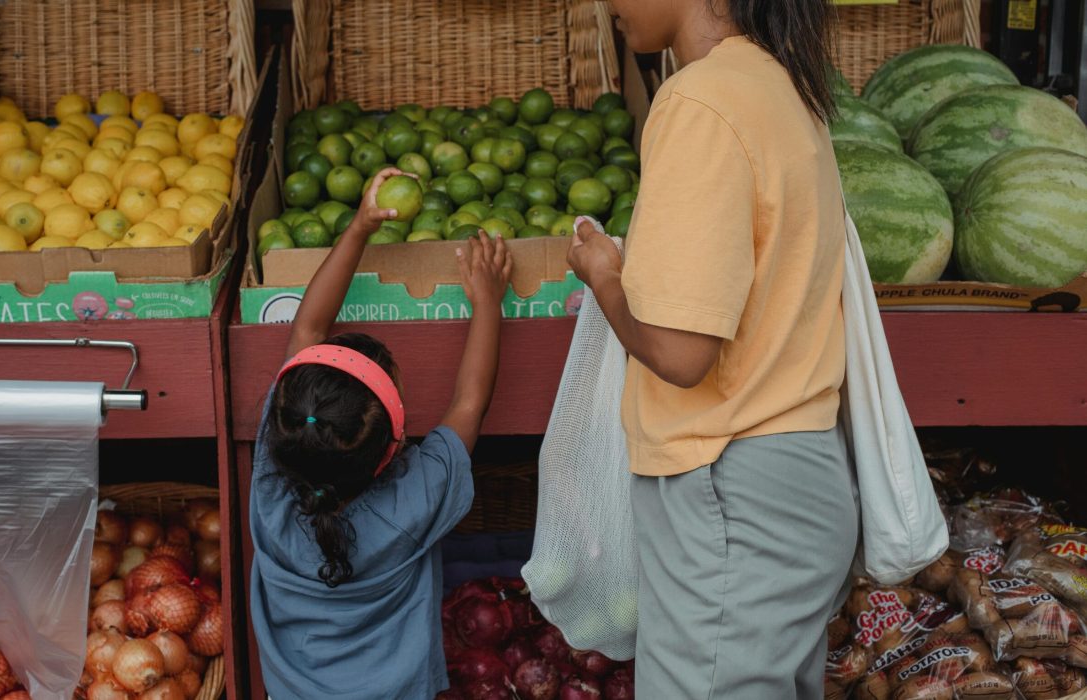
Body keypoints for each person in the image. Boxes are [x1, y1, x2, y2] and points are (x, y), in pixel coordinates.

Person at [567, 0, 860, 697]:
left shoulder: (700, 99)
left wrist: (606, 278)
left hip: (732, 483)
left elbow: (679, 353)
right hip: (796, 474)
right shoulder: (784, 88)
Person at [249, 167, 513, 699]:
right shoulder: (413, 502)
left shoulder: (272, 482)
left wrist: (357, 228)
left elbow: (305, 331)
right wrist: (487, 299)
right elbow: (470, 402)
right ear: (392, 449)